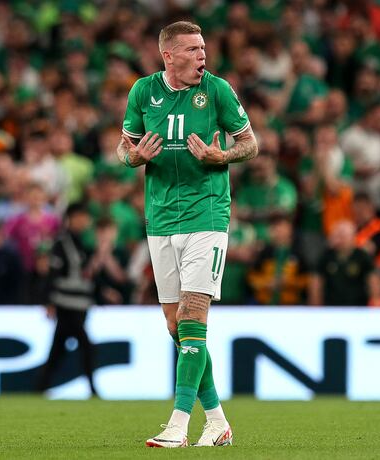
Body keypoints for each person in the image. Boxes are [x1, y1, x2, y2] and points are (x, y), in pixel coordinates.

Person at [117, 21, 258, 448]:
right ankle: (216, 422)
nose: (202, 56)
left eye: (203, 48)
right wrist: (133, 157)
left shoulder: (216, 90)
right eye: (193, 49)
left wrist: (223, 155)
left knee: (193, 315)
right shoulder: (143, 91)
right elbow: (123, 148)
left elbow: (250, 142)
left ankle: (178, 425)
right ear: (169, 56)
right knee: (175, 325)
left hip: (207, 215)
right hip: (160, 218)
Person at [38, 203, 98, 396]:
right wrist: (49, 301)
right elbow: (52, 274)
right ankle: (92, 389)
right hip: (66, 305)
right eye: (80, 217)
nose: (83, 221)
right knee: (85, 347)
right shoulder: (61, 243)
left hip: (80, 304)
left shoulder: (84, 242)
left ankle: (40, 387)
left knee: (58, 351)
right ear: (70, 218)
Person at [310, 220, 380, 306]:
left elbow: (373, 282)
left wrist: (377, 305)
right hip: (331, 307)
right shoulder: (326, 256)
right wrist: (315, 308)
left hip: (357, 308)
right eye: (337, 235)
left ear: (353, 237)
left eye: (343, 236)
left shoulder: (362, 256)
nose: (340, 240)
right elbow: (316, 283)